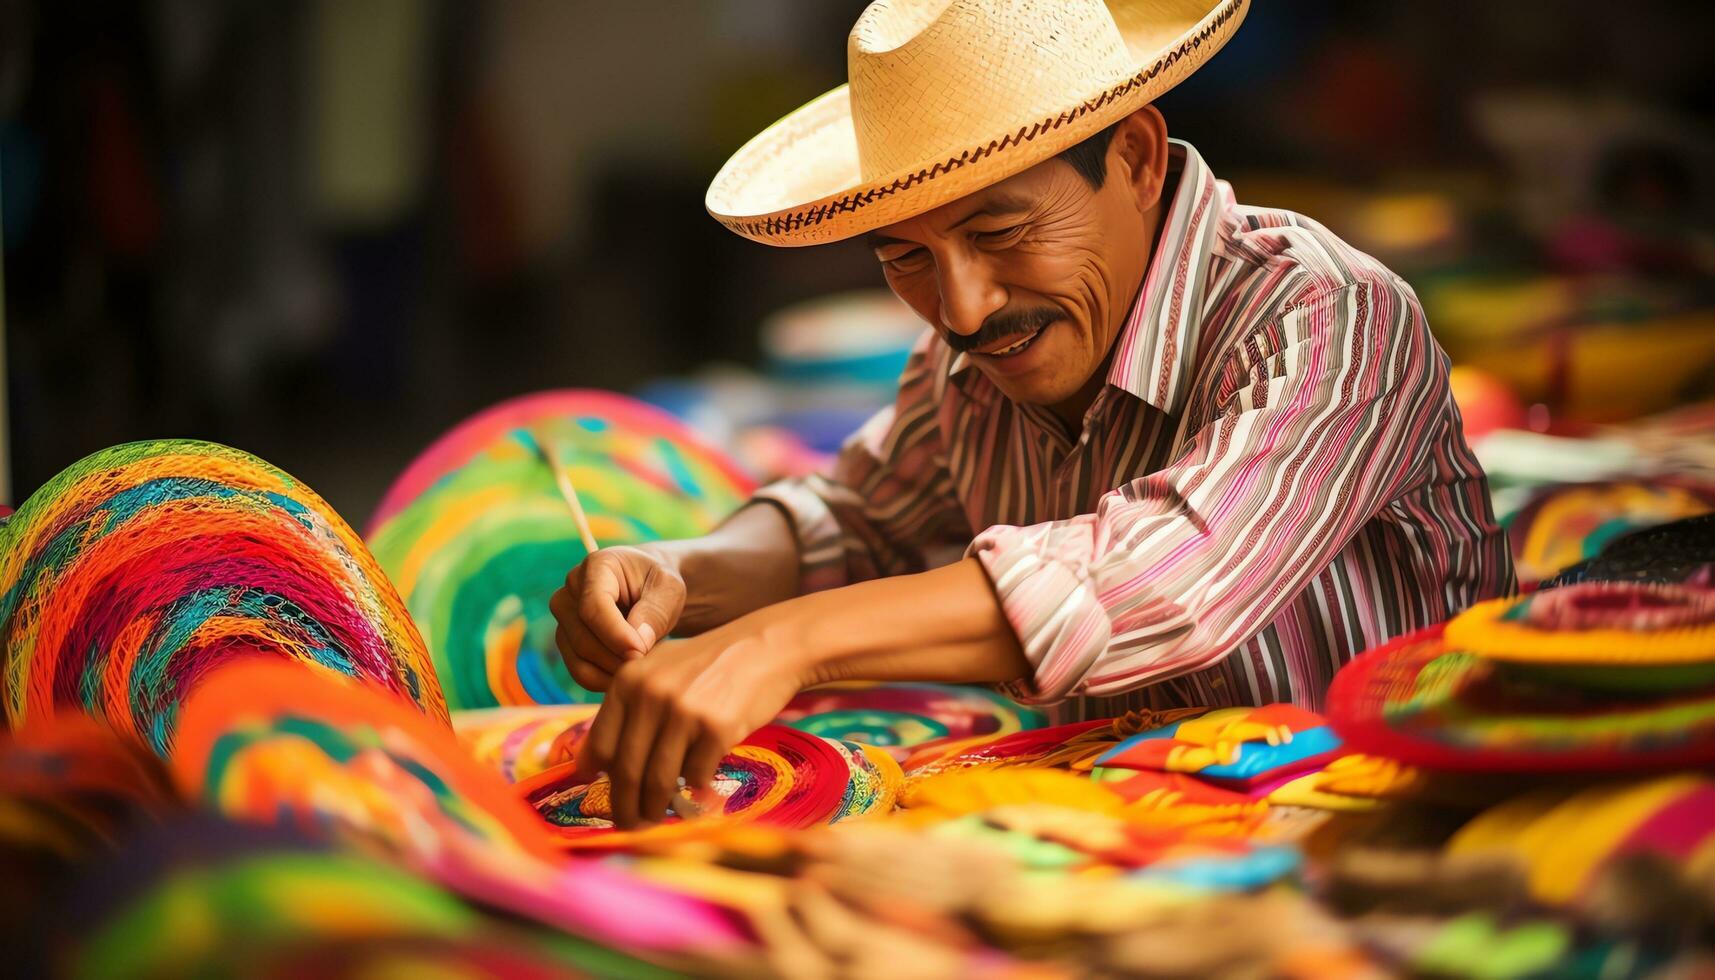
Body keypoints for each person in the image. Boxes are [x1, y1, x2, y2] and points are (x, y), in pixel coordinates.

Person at [549, 0, 1514, 828]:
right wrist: (684, 574)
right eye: (905, 258)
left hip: (1405, 831)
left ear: (1134, 158)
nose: (961, 310)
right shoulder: (971, 362)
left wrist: (785, 641)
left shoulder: (1331, 316)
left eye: (1000, 231)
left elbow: (1170, 576)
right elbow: (857, 521)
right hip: (1142, 834)